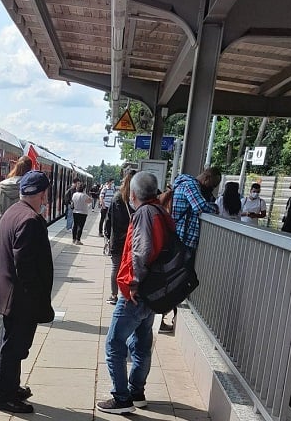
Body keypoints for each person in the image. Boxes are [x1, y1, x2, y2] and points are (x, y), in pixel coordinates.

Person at [97, 171, 172, 414]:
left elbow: (141, 252)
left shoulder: (143, 214)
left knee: (114, 344)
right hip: (153, 291)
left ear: (133, 194)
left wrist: (132, 285)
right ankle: (136, 392)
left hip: (136, 293)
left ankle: (121, 398)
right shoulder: (161, 211)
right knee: (141, 343)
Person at [0, 170, 55, 414]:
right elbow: (25, 266)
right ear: (41, 193)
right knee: (13, 348)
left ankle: (11, 387)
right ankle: (3, 397)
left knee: (12, 347)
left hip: (9, 295)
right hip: (21, 299)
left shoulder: (12, 212)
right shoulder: (29, 220)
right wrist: (36, 298)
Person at [165, 167, 221, 333]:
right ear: (207, 178)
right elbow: (200, 206)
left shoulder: (182, 183)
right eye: (213, 184)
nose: (212, 188)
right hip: (184, 240)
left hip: (180, 239)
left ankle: (166, 315)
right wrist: (216, 208)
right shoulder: (190, 185)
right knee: (179, 280)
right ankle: (166, 313)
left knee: (177, 279)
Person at [103, 170, 136, 305]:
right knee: (130, 267)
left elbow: (110, 219)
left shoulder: (117, 197)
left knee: (116, 267)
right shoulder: (137, 198)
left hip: (117, 239)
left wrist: (107, 235)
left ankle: (114, 295)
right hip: (133, 239)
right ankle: (127, 294)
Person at [0, 156, 33, 246]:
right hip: (23, 229)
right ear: (30, 169)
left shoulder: (2, 186)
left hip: (4, 228)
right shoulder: (30, 187)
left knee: (4, 256)